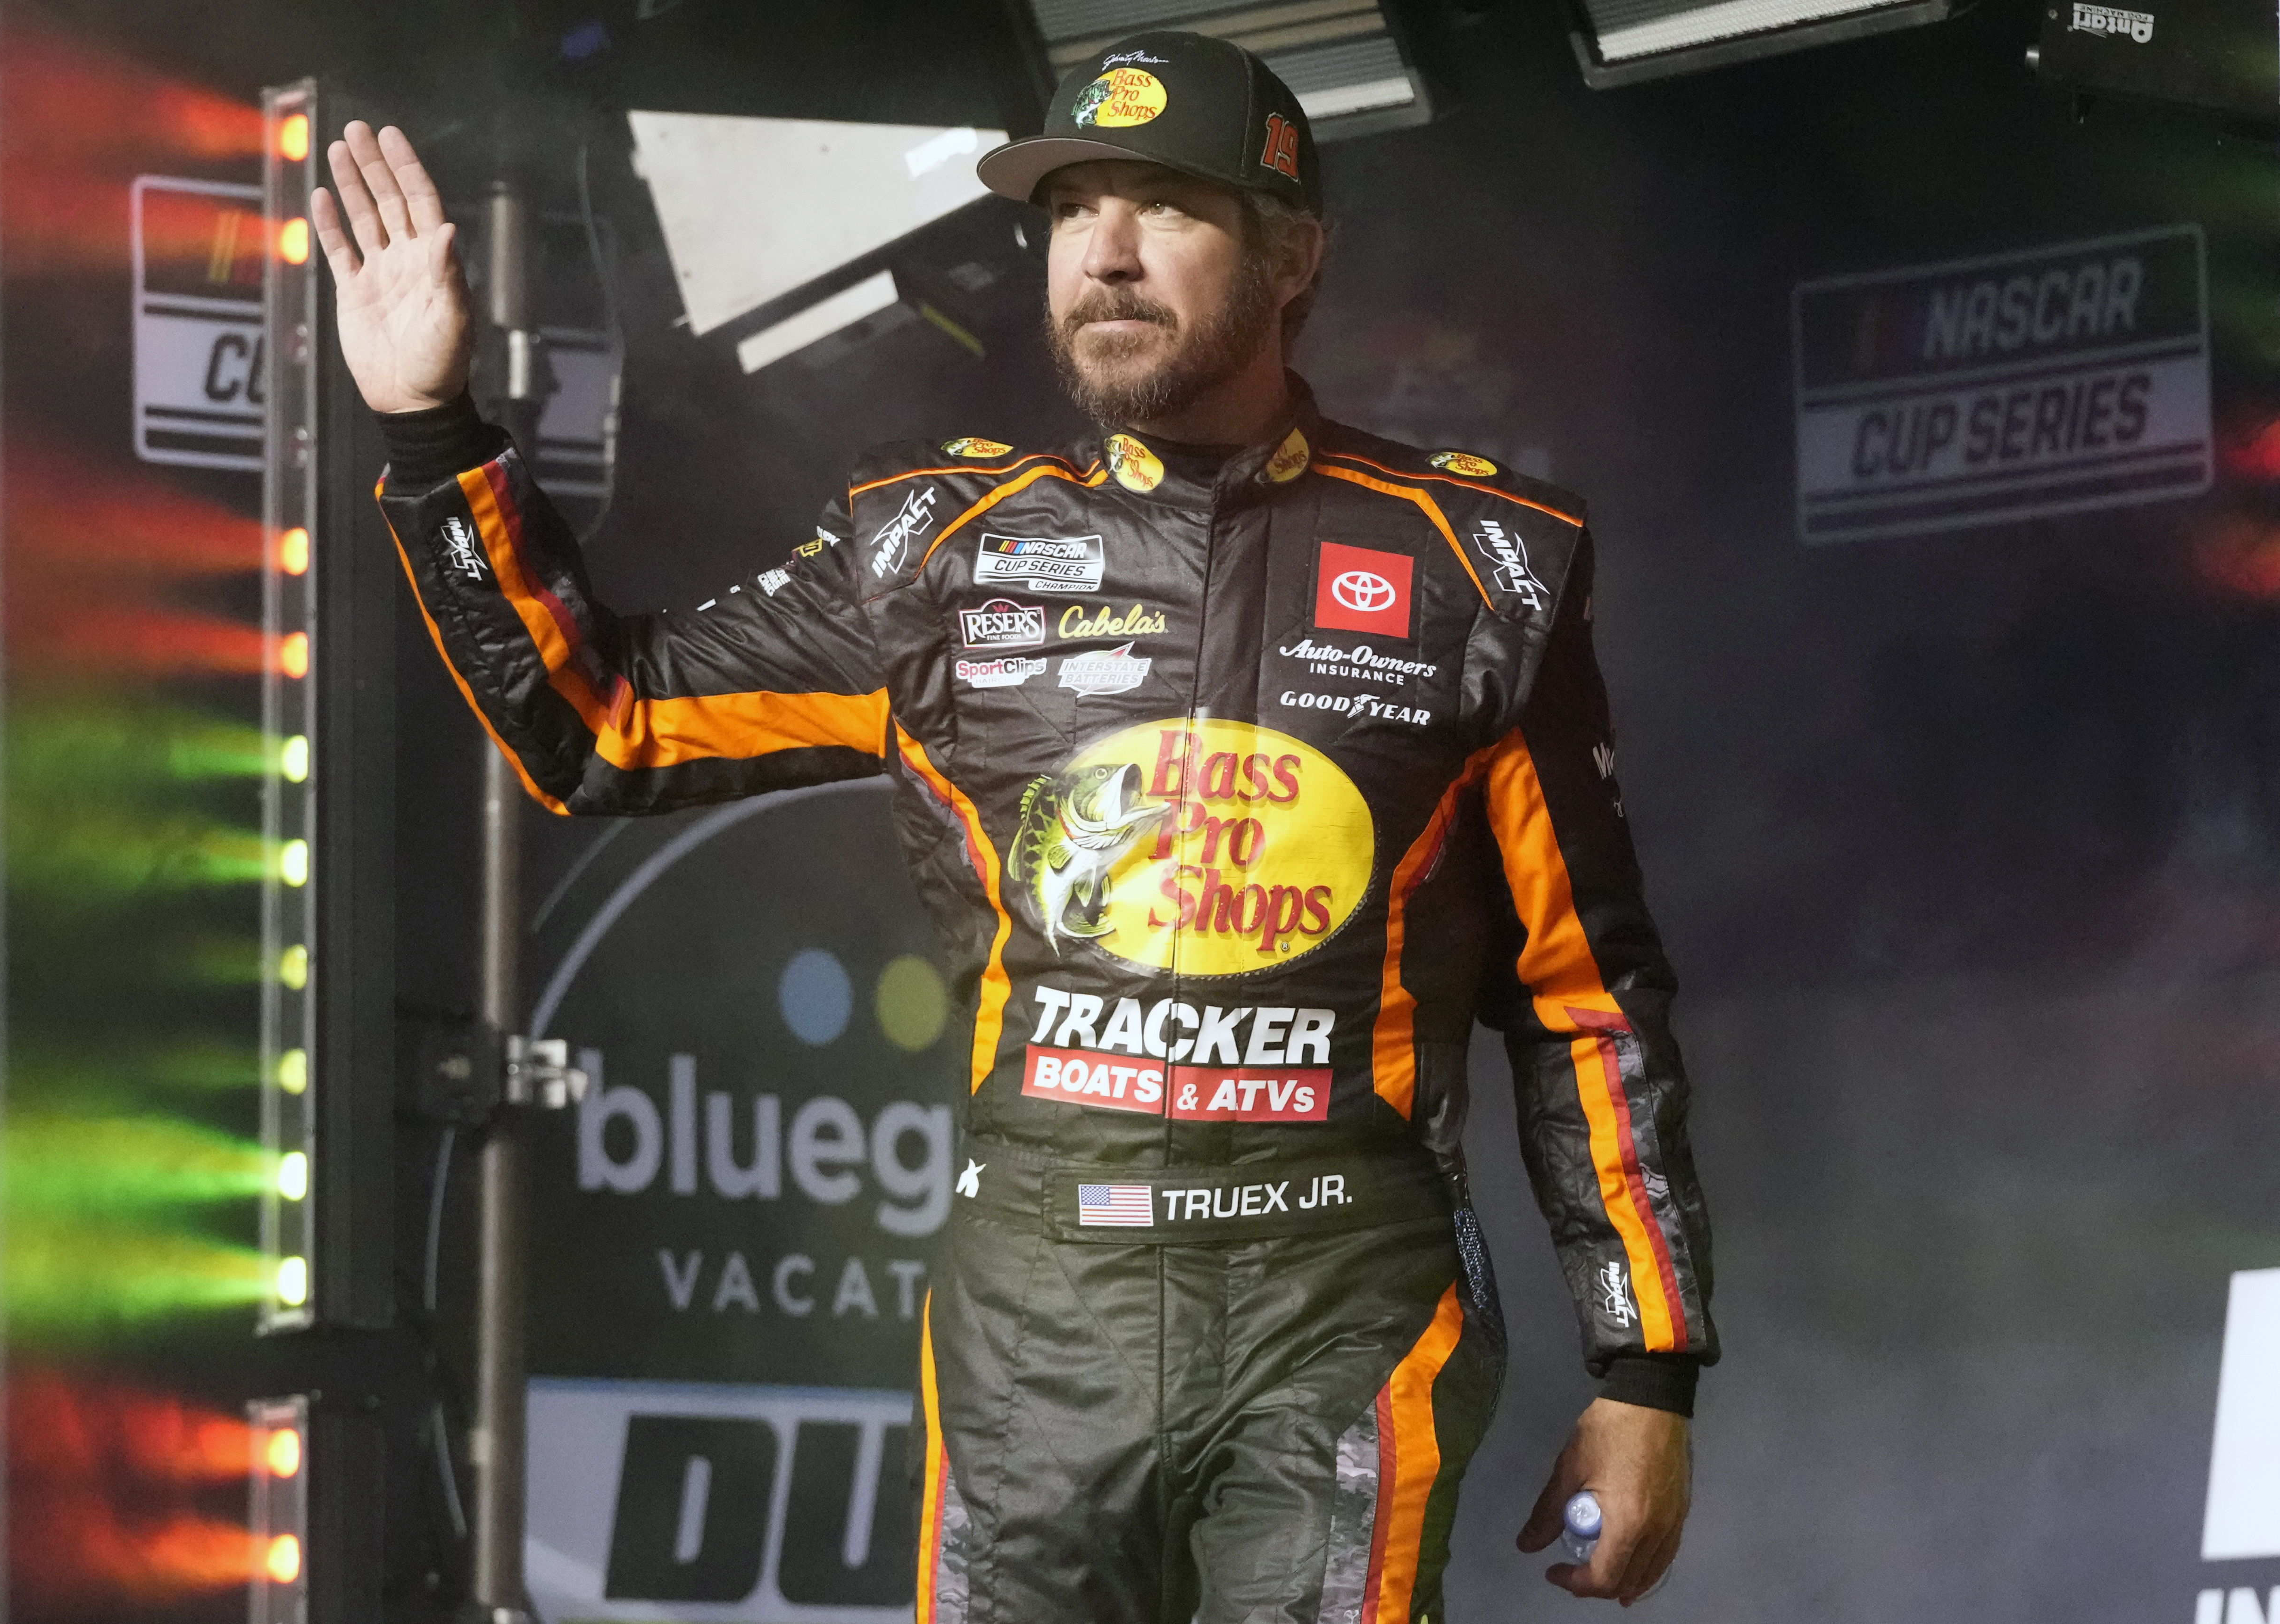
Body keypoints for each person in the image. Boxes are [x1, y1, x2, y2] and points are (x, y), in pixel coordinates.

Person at [314, 29, 1715, 1619]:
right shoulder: (933, 546)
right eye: (1069, 212)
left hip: (1348, 1305)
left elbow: (1587, 998)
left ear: (1294, 252)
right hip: (1037, 1319)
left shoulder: (1486, 561)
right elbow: (605, 721)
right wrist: (434, 434)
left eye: (1162, 205)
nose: (1103, 255)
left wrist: (1648, 1367)